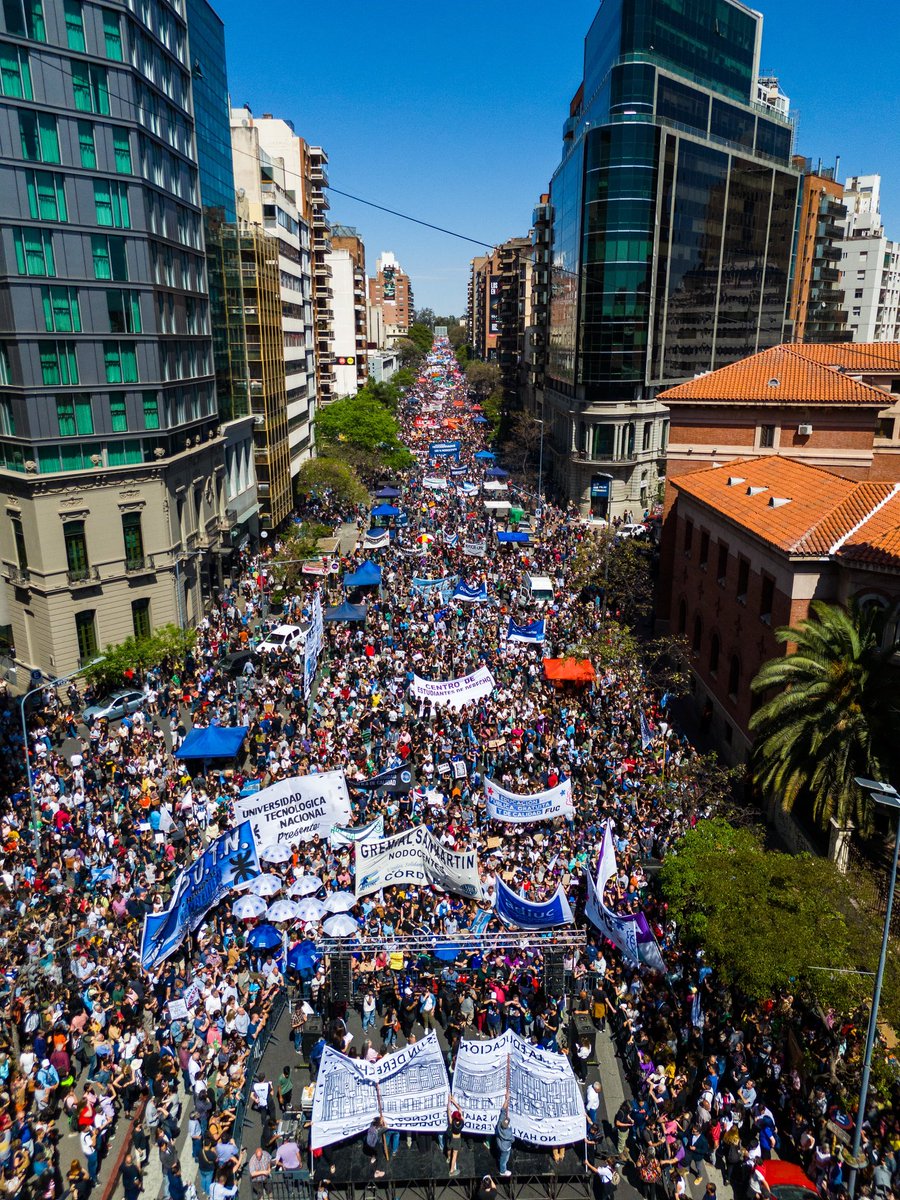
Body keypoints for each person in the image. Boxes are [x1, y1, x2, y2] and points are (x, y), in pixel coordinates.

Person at [495, 1105, 514, 1177]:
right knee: (504, 1159)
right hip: (505, 1148)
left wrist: (504, 1107)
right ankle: (502, 1171)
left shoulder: (499, 1124)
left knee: (501, 1155)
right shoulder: (508, 1133)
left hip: (499, 1143)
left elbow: (501, 1116)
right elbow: (512, 1139)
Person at [447, 1099, 465, 1177]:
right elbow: (460, 1109)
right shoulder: (462, 1122)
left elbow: (448, 1110)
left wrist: (449, 1100)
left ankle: (448, 1158)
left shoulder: (451, 1122)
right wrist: (454, 1101)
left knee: (448, 1149)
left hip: (451, 1139)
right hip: (457, 1140)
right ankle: (451, 1170)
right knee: (455, 1155)